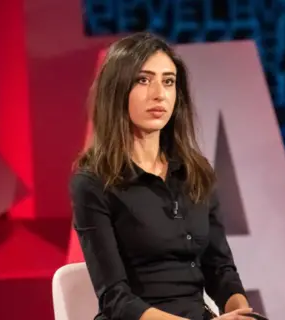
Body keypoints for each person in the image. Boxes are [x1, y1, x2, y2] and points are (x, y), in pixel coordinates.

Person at [70, 32, 255, 320]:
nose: (159, 93)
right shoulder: (93, 182)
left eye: (168, 81)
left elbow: (220, 268)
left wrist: (240, 313)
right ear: (118, 90)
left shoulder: (196, 172)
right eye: (144, 80)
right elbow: (115, 300)